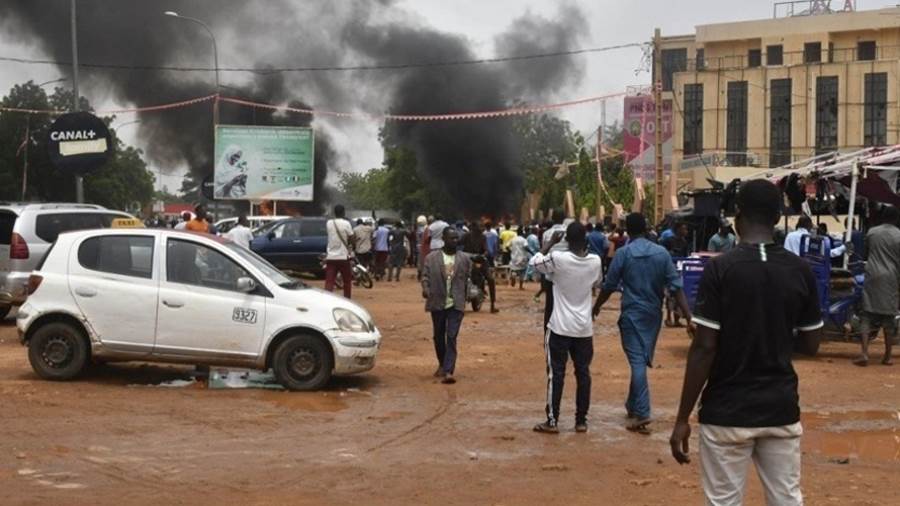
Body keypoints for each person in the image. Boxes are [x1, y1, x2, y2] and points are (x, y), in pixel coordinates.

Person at [669, 179, 823, 506]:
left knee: (723, 501)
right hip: (780, 409)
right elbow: (812, 344)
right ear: (778, 217)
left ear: (737, 216)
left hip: (726, 412)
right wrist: (774, 334)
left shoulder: (720, 269)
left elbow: (704, 347)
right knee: (787, 499)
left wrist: (682, 418)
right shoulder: (800, 270)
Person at [592, 213, 692, 434]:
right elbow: (676, 286)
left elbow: (609, 285)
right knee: (641, 358)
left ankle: (642, 412)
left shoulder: (624, 253)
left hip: (632, 314)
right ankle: (632, 404)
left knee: (637, 361)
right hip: (653, 315)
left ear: (628, 230)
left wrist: (596, 306)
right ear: (646, 229)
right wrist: (688, 316)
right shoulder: (661, 253)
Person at [530, 222, 602, 434]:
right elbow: (597, 282)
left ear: (567, 240)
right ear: (585, 239)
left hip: (559, 327)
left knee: (556, 374)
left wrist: (550, 243)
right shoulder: (595, 262)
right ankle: (581, 421)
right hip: (584, 329)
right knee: (583, 374)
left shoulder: (559, 259)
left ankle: (552, 421)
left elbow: (534, 263)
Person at [421, 227, 472, 385]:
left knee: (451, 336)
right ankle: (442, 364)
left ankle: (449, 370)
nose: (455, 241)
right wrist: (426, 290)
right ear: (444, 239)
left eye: (457, 238)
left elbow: (468, 278)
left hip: (456, 303)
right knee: (438, 336)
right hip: (437, 301)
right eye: (452, 238)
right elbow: (425, 277)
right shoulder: (431, 258)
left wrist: (467, 295)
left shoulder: (464, 259)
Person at [853, 205, 900, 367]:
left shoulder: (872, 232)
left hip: (872, 274)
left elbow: (865, 252)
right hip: (891, 277)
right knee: (889, 318)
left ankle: (864, 354)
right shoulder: (899, 235)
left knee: (866, 315)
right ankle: (887, 356)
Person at [540, 209, 569, 331]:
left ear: (552, 218)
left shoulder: (547, 234)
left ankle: (547, 334)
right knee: (566, 306)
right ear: (564, 218)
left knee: (549, 307)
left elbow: (544, 251)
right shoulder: (569, 232)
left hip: (550, 275)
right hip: (566, 275)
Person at [461, 222, 499, 313]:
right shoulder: (466, 236)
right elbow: (458, 243)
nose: (481, 229)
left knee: (490, 279)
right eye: (479, 227)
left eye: (481, 227)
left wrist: (483, 255)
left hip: (479, 261)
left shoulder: (483, 237)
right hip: (467, 260)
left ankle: (492, 305)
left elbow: (486, 249)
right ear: (473, 228)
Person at [324, 205, 355, 299]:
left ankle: (327, 300)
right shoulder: (346, 223)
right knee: (347, 281)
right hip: (343, 257)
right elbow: (352, 237)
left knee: (329, 282)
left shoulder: (329, 223)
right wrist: (350, 245)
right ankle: (347, 300)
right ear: (343, 212)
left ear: (334, 213)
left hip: (331, 257)